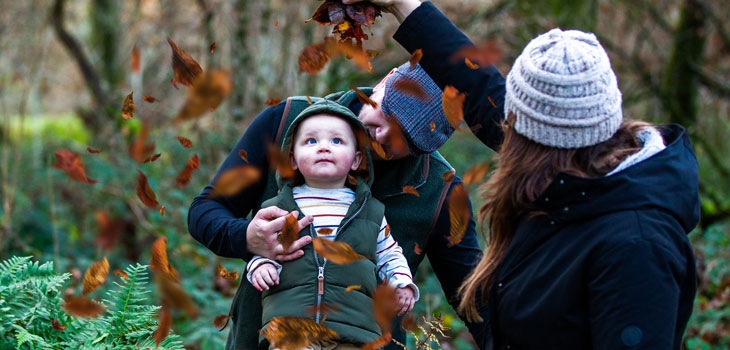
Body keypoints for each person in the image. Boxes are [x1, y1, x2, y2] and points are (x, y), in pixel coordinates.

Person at [188, 1, 507, 349]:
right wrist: (246, 237)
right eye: (387, 114)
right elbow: (204, 212)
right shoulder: (288, 124)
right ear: (384, 83)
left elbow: (475, 299)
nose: (384, 135)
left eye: (405, 137)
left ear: (425, 149)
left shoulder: (439, 190)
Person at [457, 28, 699, 349]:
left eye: (509, 122)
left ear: (523, 138)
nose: (502, 125)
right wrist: (406, 8)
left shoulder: (636, 245)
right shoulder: (568, 185)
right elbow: (479, 87)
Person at [249, 100, 418, 349]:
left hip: (353, 329)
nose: (324, 148)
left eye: (337, 141)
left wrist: (402, 283)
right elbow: (261, 248)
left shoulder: (370, 211)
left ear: (356, 159)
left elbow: (389, 254)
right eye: (311, 141)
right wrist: (261, 266)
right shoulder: (278, 208)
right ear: (293, 159)